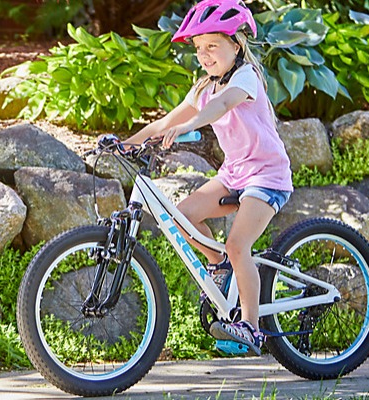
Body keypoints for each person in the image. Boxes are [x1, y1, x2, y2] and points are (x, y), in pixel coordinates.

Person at [125, 0, 293, 356]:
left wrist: (191, 125)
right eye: (199, 49)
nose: (204, 55)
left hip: (266, 175)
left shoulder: (245, 77)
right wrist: (125, 144)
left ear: (236, 44)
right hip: (235, 173)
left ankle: (250, 325)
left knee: (237, 245)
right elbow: (165, 121)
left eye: (212, 46)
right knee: (180, 216)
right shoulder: (204, 86)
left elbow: (221, 106)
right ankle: (219, 268)